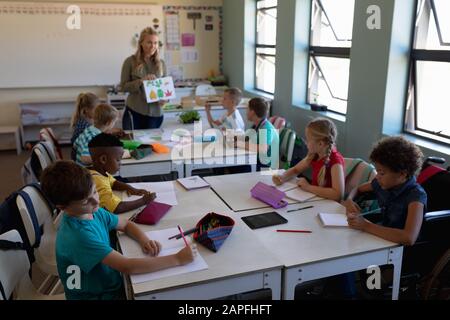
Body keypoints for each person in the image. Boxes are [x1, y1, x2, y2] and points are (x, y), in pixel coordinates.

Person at [40, 161, 195, 300]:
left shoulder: (91, 211)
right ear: (62, 207)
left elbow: (126, 225)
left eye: (94, 192)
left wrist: (144, 240)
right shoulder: (78, 236)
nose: (96, 201)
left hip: (107, 284)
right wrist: (177, 259)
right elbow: (128, 266)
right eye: (86, 200)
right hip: (96, 295)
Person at [344, 136, 427, 245]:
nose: (377, 177)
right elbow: (358, 189)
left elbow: (409, 237)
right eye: (377, 172)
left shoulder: (416, 196)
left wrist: (365, 225)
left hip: (399, 250)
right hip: (381, 238)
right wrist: (350, 200)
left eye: (382, 173)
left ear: (402, 174)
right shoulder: (383, 183)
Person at [272, 117, 345, 202]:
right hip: (316, 200)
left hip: (328, 206)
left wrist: (308, 187)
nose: (306, 143)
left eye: (308, 140)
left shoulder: (335, 161)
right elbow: (296, 170)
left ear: (320, 144)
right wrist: (282, 177)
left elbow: (337, 194)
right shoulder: (315, 155)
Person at [88, 133, 156, 214]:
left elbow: (113, 183)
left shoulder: (98, 173)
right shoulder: (97, 180)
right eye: (118, 160)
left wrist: (130, 189)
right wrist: (144, 200)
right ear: (103, 159)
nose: (121, 163)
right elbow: (116, 208)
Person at [120, 27, 167, 130]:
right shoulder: (130, 62)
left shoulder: (161, 64)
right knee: (132, 144)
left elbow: (165, 88)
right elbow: (123, 87)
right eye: (149, 42)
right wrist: (141, 81)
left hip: (155, 115)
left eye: (155, 43)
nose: (153, 46)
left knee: (149, 146)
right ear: (141, 43)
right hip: (134, 111)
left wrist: (165, 99)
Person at [236, 97, 279, 170]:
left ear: (252, 112)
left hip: (265, 166)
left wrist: (239, 144)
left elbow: (263, 148)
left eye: (247, 109)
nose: (246, 112)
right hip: (257, 160)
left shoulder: (266, 128)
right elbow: (247, 138)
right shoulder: (257, 125)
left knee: (233, 167)